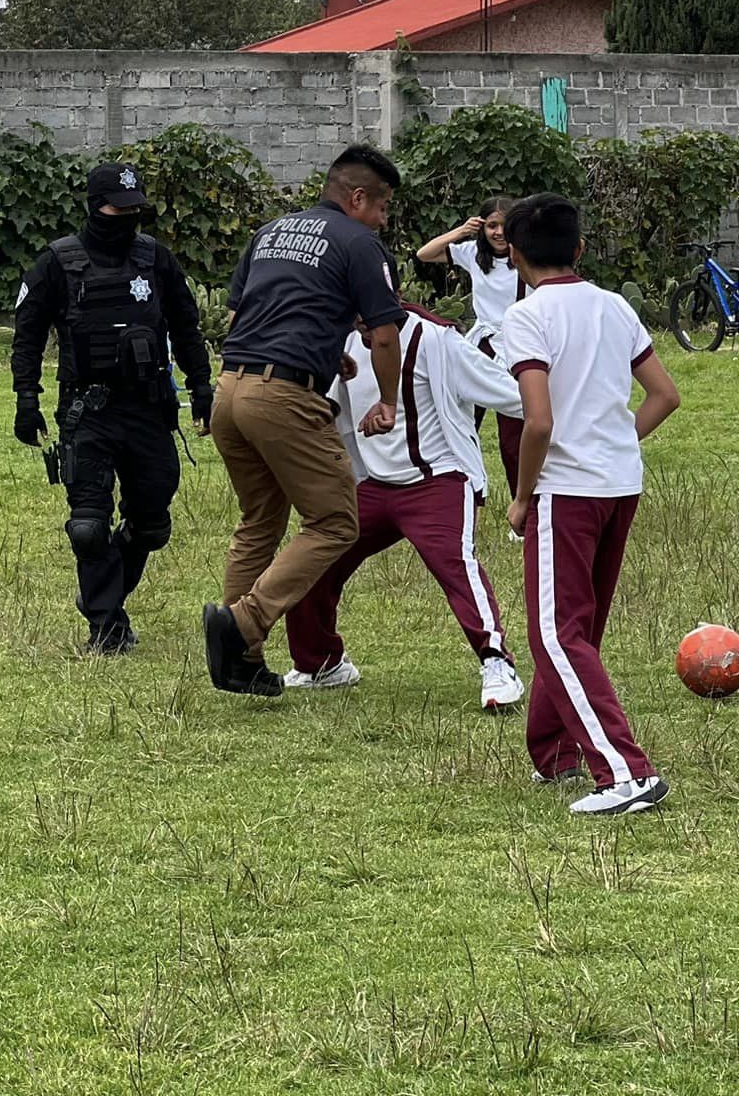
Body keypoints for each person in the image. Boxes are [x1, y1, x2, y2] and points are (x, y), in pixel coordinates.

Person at [499, 192, 682, 816]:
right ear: (580, 248)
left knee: (555, 632)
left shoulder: (525, 317)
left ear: (515, 255)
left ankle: (626, 773)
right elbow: (664, 395)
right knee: (581, 627)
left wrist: (522, 497)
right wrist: (613, 441)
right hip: (619, 484)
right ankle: (556, 753)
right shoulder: (615, 305)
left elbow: (539, 421)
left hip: (566, 490)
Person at [202, 145, 406, 697]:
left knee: (260, 520)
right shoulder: (361, 242)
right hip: (284, 399)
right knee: (337, 522)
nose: (384, 219)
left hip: (231, 389)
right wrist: (387, 400)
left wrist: (319, 349)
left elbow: (245, 314)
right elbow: (385, 334)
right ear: (357, 197)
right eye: (383, 206)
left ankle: (238, 660)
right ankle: (245, 622)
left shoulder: (272, 231)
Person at [282, 290, 529, 711]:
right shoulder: (341, 343)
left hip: (437, 480)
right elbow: (329, 409)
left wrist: (565, 418)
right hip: (374, 484)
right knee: (313, 557)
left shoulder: (437, 341)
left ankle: (497, 663)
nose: (360, 325)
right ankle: (320, 662)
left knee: (454, 564)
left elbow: (510, 393)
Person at [12, 163, 212, 654]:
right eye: (116, 208)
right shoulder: (57, 263)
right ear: (93, 206)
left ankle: (102, 594)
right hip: (88, 411)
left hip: (148, 408)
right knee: (87, 525)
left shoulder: (155, 260)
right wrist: (26, 397)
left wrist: (201, 385)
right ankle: (106, 626)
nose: (126, 217)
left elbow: (186, 326)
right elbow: (28, 335)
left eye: (134, 209)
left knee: (152, 525)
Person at [418, 198, 528, 502]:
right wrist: (461, 231)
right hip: (482, 344)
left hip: (516, 345)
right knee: (463, 422)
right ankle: (462, 494)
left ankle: (523, 504)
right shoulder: (472, 254)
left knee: (513, 434)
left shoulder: (526, 258)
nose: (498, 233)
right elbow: (424, 254)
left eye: (504, 226)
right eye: (492, 226)